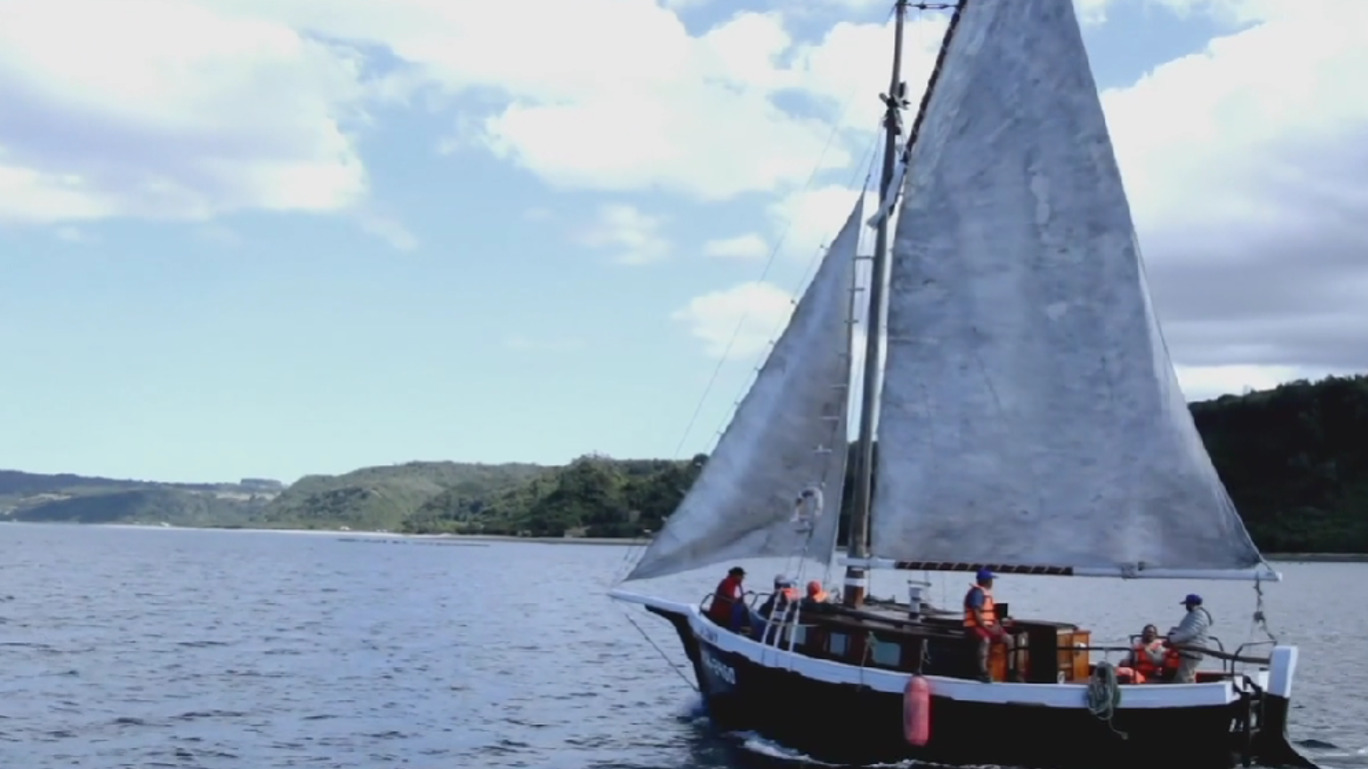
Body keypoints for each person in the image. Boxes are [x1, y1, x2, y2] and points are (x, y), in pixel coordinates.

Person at [964, 568, 1010, 682]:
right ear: (986, 581)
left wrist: (997, 627)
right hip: (974, 626)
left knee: (1008, 638)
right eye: (990, 580)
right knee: (985, 640)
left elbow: (991, 615)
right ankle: (982, 672)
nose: (992, 583)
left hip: (988, 626)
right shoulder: (977, 593)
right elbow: (976, 613)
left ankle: (1008, 669)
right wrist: (986, 628)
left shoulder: (986, 593)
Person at [1165, 593, 1213, 683]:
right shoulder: (1193, 614)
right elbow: (1185, 629)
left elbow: (1189, 632)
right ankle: (1191, 690)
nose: (1186, 607)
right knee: (1189, 674)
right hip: (1188, 650)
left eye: (1187, 604)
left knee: (1184, 675)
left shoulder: (1198, 616)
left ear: (1191, 604)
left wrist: (1171, 639)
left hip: (1192, 650)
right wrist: (1174, 631)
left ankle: (1181, 692)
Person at [708, 566, 747, 631]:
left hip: (724, 609)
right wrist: (736, 600)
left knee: (744, 608)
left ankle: (744, 628)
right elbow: (728, 596)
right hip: (721, 612)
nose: (743, 578)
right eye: (741, 576)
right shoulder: (728, 582)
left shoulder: (733, 583)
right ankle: (739, 628)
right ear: (736, 575)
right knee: (741, 609)